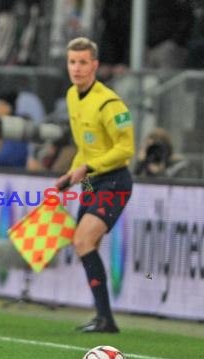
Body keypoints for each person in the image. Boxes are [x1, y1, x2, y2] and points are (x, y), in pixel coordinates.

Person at [55, 37, 135, 333]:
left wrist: (88, 166)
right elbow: (84, 148)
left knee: (83, 241)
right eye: (72, 62)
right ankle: (102, 316)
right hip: (91, 181)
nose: (76, 68)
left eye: (83, 62)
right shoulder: (72, 96)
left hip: (114, 180)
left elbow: (126, 150)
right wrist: (71, 172)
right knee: (87, 245)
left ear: (95, 65)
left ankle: (106, 319)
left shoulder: (110, 103)